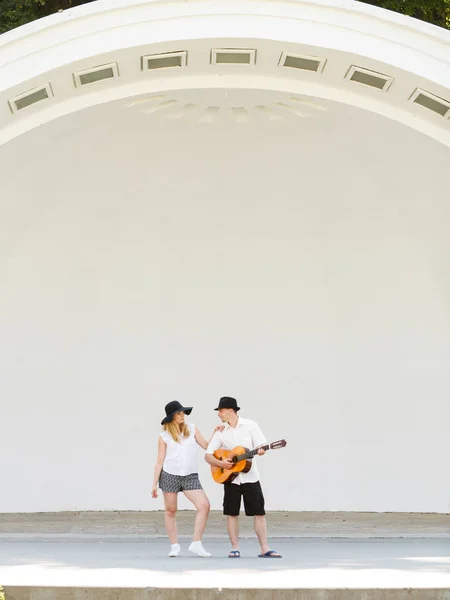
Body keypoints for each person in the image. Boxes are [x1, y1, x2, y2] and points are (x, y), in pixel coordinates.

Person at [205, 396, 282, 558]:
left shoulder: (250, 425)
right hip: (231, 478)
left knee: (259, 512)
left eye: (221, 411)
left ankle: (265, 547)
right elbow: (208, 456)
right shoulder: (221, 432)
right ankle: (234, 547)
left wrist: (261, 450)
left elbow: (261, 444)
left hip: (250, 477)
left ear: (230, 411)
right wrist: (221, 464)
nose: (219, 414)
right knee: (232, 513)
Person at [152, 400, 218, 557]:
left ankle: (196, 543)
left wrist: (216, 433)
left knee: (204, 505)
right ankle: (174, 546)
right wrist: (154, 484)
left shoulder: (192, 429)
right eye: (179, 413)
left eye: (183, 413)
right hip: (169, 474)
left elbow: (207, 445)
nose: (183, 416)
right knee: (171, 511)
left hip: (190, 476)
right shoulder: (164, 436)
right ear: (172, 417)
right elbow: (160, 460)